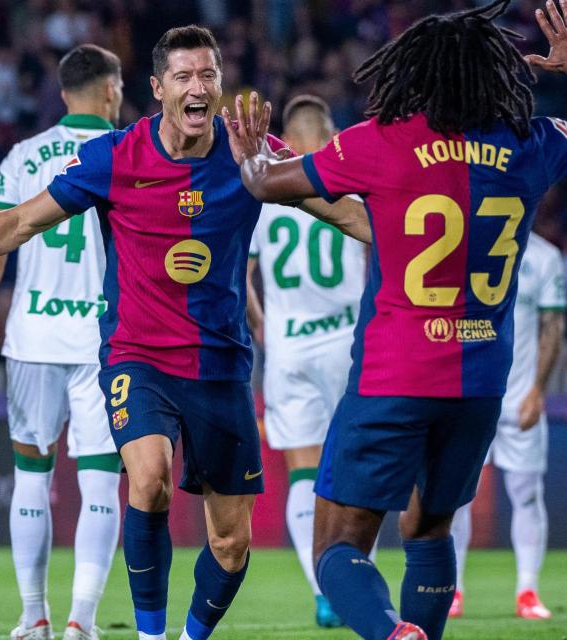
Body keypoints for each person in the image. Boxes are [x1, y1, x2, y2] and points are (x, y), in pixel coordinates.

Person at [0, 25, 368, 640]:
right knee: (149, 480)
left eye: (207, 75)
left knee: (231, 542)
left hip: (220, 365)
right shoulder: (115, 157)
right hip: (138, 354)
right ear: (157, 89)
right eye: (182, 77)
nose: (197, 87)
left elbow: (339, 207)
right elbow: (20, 221)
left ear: (219, 84)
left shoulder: (250, 152)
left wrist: (422, 246)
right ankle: (150, 635)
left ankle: (188, 635)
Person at [222, 1, 567, 639]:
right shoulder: (531, 142)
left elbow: (266, 183)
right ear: (493, 74)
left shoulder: (378, 141)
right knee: (429, 527)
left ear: (413, 75)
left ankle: (394, 634)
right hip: (479, 383)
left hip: (394, 374)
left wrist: (250, 152)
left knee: (337, 547)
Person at [0, 45, 124, 640]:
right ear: (111, 90)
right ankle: (82, 620)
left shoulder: (23, 155)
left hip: (33, 336)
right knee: (101, 480)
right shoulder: (127, 149)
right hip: (104, 340)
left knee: (33, 476)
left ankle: (34, 615)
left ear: (62, 94)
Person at [246, 94, 366, 629]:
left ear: (287, 139)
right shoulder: (353, 184)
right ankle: (354, 577)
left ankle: (323, 590)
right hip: (347, 342)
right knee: (356, 466)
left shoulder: (266, 192)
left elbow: (240, 274)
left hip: (288, 347)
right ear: (333, 132)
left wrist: (261, 324)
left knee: (302, 471)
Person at [449, 232, 566, 620]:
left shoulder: (545, 256)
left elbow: (553, 325)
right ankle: (453, 591)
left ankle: (527, 591)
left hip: (519, 401)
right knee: (456, 498)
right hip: (471, 395)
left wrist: (538, 390)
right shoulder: (464, 240)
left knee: (527, 493)